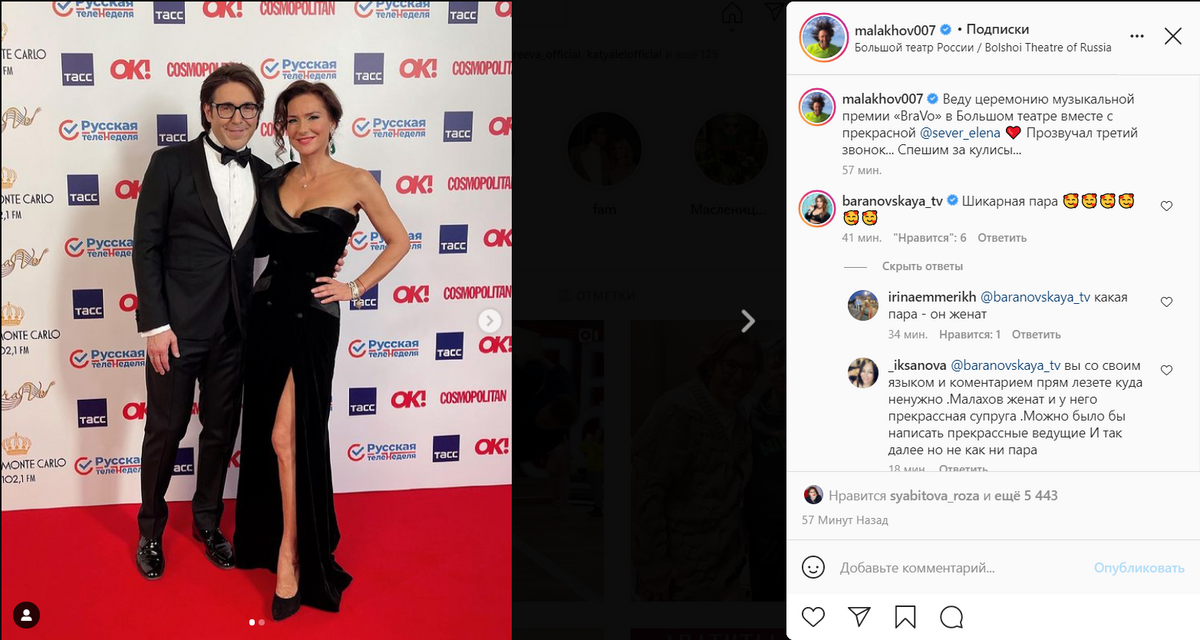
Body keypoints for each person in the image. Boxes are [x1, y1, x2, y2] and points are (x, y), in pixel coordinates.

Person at [233, 80, 410, 621]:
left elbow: (399, 240)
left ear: (332, 121)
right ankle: (273, 538)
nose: (302, 128)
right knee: (268, 434)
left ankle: (292, 556)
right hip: (266, 314)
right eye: (291, 119)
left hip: (311, 319)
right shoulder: (273, 179)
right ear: (282, 128)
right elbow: (254, 245)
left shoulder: (356, 180)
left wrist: (354, 286)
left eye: (312, 117)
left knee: (287, 436)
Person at [132, 63, 301, 582]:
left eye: (248, 108)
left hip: (236, 328)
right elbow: (146, 246)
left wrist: (326, 254)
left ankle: (207, 522)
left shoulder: (266, 175)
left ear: (259, 115)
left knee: (221, 431)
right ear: (207, 110)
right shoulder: (170, 163)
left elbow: (277, 242)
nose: (237, 117)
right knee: (165, 430)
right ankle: (150, 530)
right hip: (176, 331)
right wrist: (155, 325)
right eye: (226, 106)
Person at [632, 327, 761, 601]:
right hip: (678, 577)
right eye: (730, 365)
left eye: (749, 369)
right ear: (711, 365)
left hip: (728, 572)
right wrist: (653, 567)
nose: (739, 376)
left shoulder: (743, 413)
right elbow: (642, 490)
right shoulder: (677, 410)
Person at [745, 337, 785, 601]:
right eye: (777, 365)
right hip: (765, 534)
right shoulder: (751, 416)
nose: (785, 372)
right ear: (767, 371)